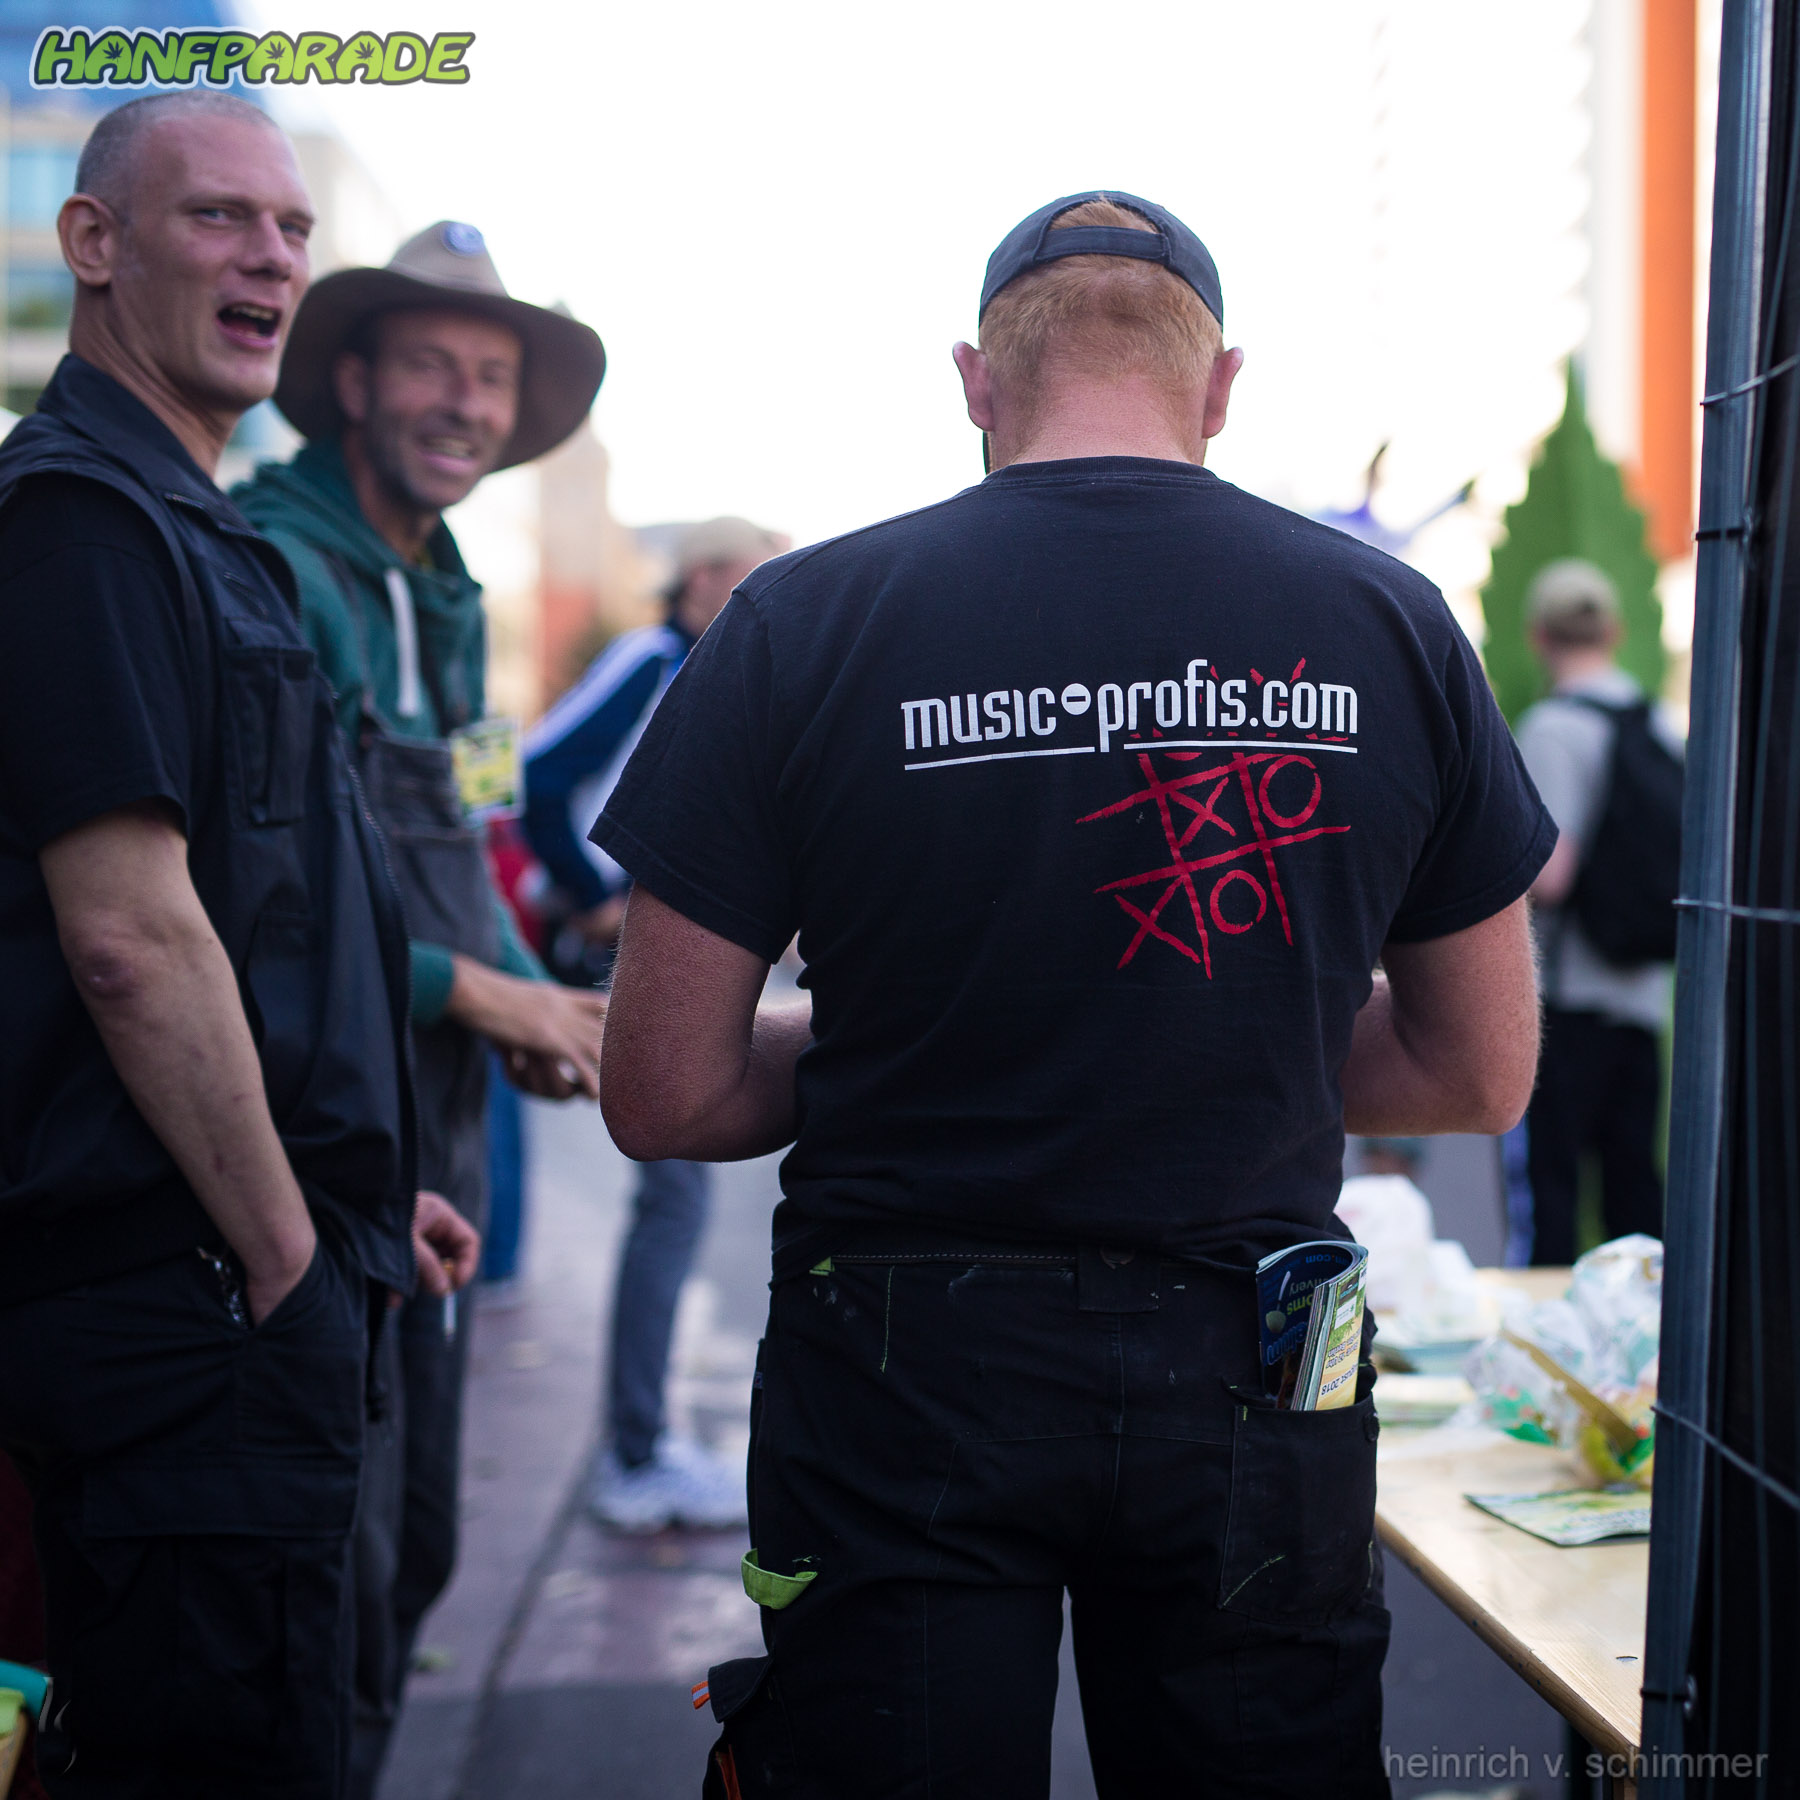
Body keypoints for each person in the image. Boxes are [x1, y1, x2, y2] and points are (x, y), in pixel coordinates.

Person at [593, 192, 1553, 1796]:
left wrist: (936, 1038)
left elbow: (663, 1088)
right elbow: (1479, 1072)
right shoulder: (1388, 621)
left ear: (977, 381)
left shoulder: (801, 619)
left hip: (901, 1357)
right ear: (1220, 387)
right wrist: (1212, 1041)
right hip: (1257, 1346)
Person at [0, 91, 477, 1798]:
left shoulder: (204, 530)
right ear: (94, 243)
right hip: (189, 1316)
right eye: (219, 217)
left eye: (291, 228)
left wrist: (362, 1196)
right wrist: (289, 1260)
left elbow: (267, 920)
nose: (270, 257)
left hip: (255, 1274)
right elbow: (130, 939)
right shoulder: (82, 522)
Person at [232, 222, 609, 1794]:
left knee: (424, 1546)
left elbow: (470, 837)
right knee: (338, 1569)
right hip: (304, 1142)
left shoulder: (452, 598)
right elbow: (253, 923)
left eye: (493, 378)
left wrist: (541, 998)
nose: (465, 403)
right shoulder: (273, 566)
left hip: (439, 1138)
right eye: (434, 367)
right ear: (353, 381)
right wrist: (484, 993)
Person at [523, 516, 784, 1530]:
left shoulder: (701, 664)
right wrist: (592, 895)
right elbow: (540, 770)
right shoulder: (650, 658)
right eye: (755, 574)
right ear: (705, 576)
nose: (767, 596)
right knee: (671, 1189)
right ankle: (635, 1456)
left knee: (674, 1194)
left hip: (642, 948)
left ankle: (642, 1443)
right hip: (608, 952)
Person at [1514, 559, 1681, 1265]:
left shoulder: (1552, 728)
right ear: (1612, 631)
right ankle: (1645, 1323)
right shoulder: (1657, 724)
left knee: (1551, 1192)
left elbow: (1550, 877)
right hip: (1642, 995)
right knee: (1634, 1192)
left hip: (1570, 996)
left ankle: (1551, 1324)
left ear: (1538, 637)